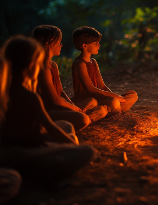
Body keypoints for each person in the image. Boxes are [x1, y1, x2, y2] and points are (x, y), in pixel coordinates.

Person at [0, 36, 97, 196]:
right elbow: (50, 128)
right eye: (39, 64)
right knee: (86, 152)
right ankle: (42, 174)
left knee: (66, 126)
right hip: (19, 152)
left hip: (15, 148)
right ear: (31, 66)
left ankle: (50, 159)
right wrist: (73, 146)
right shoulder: (27, 96)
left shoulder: (7, 89)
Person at [31, 25, 103, 131]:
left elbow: (61, 92)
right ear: (48, 45)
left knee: (93, 102)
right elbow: (55, 100)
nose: (61, 45)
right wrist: (74, 109)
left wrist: (72, 105)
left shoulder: (53, 65)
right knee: (82, 119)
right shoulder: (43, 68)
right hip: (48, 111)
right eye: (59, 42)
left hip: (59, 107)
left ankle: (85, 117)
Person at [71, 26, 138, 114]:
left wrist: (115, 97)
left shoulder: (93, 62)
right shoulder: (79, 63)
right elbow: (91, 89)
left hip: (99, 98)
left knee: (133, 95)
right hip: (87, 101)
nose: (99, 45)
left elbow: (102, 86)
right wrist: (114, 98)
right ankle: (111, 111)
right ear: (84, 45)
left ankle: (113, 110)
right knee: (113, 102)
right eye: (95, 43)